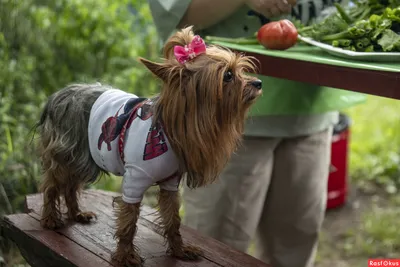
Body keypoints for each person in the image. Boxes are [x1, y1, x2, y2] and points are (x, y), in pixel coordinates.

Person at [147, 1, 365, 267]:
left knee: (295, 247)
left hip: (310, 108)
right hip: (222, 122)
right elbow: (176, 10)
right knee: (214, 249)